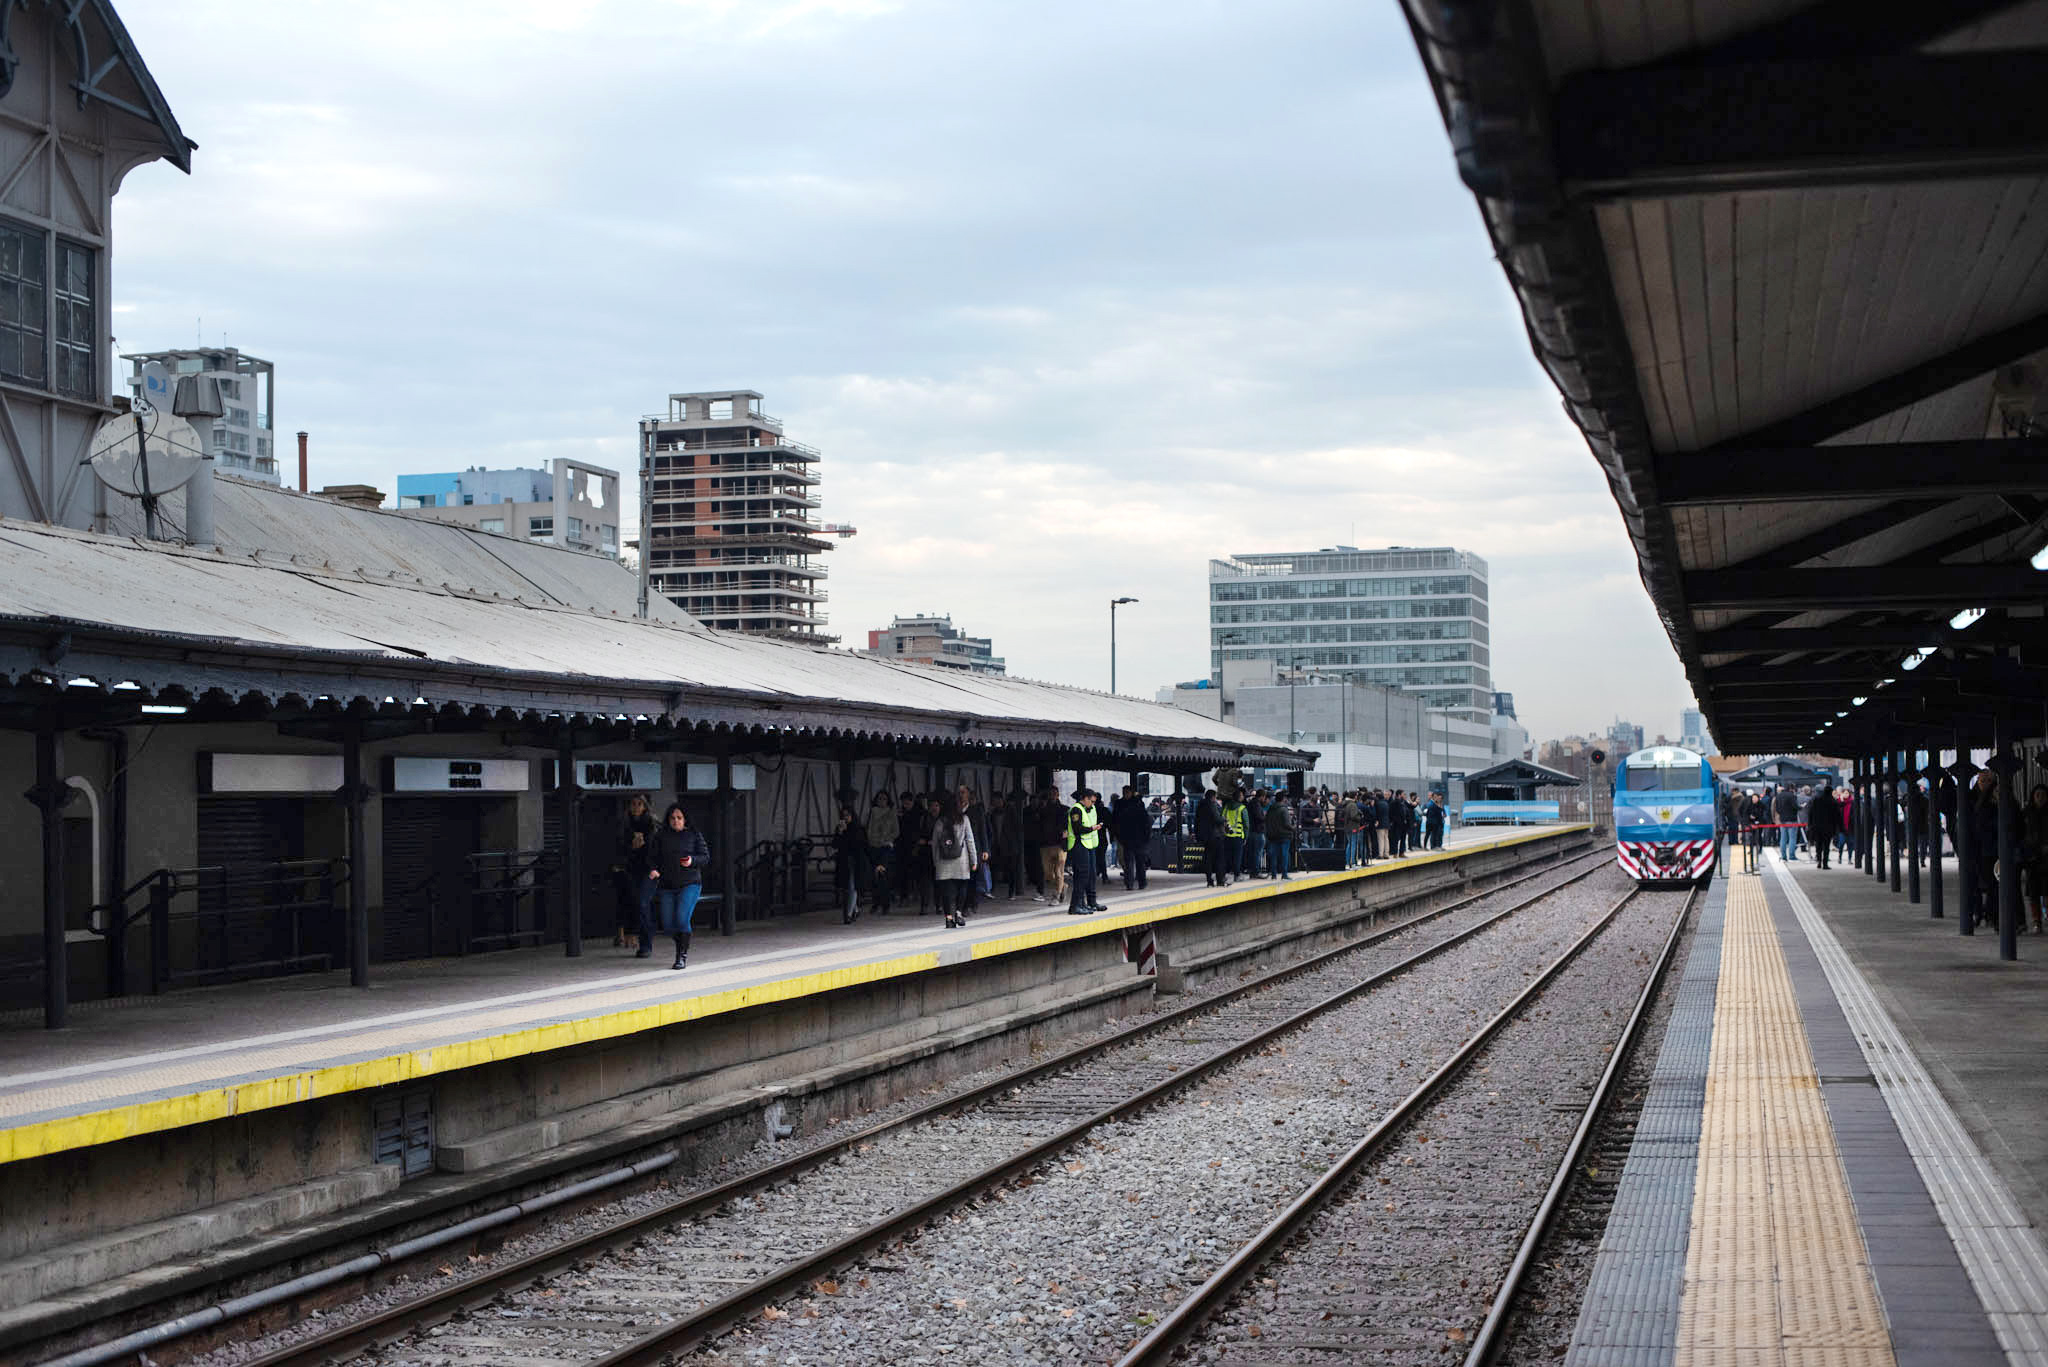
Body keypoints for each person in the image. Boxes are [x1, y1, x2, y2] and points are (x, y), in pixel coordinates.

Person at [647, 803, 709, 969]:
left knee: (682, 919)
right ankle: (683, 941)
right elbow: (652, 857)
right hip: (667, 884)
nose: (676, 821)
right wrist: (653, 869)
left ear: (685, 820)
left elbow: (705, 857)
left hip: (690, 884)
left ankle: (681, 955)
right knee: (667, 925)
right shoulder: (661, 836)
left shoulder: (694, 834)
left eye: (679, 818)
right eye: (672, 818)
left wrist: (692, 861)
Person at [930, 789, 980, 928]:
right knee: (962, 886)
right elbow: (970, 840)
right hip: (961, 861)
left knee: (947, 891)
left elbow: (935, 843)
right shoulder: (963, 819)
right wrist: (974, 860)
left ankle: (949, 918)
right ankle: (958, 913)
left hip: (943, 861)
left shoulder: (940, 821)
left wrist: (935, 861)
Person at [619, 794, 657, 958]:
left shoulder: (652, 825)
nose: (636, 807)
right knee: (635, 904)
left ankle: (646, 944)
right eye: (633, 804)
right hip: (632, 870)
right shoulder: (624, 826)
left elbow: (657, 848)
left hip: (650, 871)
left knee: (642, 903)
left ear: (645, 807)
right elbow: (620, 847)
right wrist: (631, 846)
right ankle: (637, 940)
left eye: (639, 804)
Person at [1066, 788, 1104, 914]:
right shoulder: (1076, 809)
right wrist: (1092, 828)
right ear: (1085, 798)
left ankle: (1084, 904)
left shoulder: (1090, 809)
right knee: (1081, 876)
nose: (1093, 804)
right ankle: (1075, 906)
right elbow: (1077, 829)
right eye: (1091, 801)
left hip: (1087, 844)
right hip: (1078, 844)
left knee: (1088, 875)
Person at [831, 804, 867, 924]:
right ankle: (854, 910)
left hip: (855, 860)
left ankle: (848, 914)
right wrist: (840, 832)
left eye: (848, 815)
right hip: (843, 860)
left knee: (852, 885)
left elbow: (858, 844)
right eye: (843, 815)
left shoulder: (857, 828)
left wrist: (846, 833)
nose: (845, 817)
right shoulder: (840, 828)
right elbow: (835, 844)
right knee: (845, 887)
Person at [865, 792, 899, 915]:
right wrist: (871, 841)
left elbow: (896, 831)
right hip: (873, 847)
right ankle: (875, 902)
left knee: (883, 875)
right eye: (879, 798)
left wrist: (887, 839)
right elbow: (868, 829)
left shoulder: (891, 813)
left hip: (886, 847)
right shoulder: (871, 813)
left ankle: (885, 904)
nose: (882, 801)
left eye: (884, 799)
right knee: (874, 876)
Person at [1113, 785, 1152, 891]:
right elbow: (1146, 822)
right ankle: (1140, 883)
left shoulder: (1120, 805)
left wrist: (1119, 836)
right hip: (1135, 838)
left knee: (1130, 862)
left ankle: (1131, 883)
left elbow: (1116, 822)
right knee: (1138, 862)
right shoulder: (1139, 805)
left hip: (1130, 838)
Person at [1034, 788, 1069, 905]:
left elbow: (1069, 826)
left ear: (1058, 794)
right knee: (1048, 874)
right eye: (1050, 794)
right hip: (1045, 844)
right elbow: (1037, 824)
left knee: (1059, 872)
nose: (1052, 795)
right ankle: (1063, 886)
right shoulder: (1042, 810)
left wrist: (1066, 833)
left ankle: (1056, 896)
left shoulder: (1065, 810)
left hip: (1059, 844)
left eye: (1054, 793)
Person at [2023, 783, 2048, 934]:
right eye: (2037, 795)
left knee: (2046, 890)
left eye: (2043, 795)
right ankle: (2036, 920)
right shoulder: (2027, 813)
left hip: (2046, 857)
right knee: (2033, 892)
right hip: (2032, 857)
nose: (2040, 798)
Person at [1196, 787, 1226, 887]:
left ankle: (1209, 880)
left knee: (1208, 859)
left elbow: (1197, 821)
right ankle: (1220, 880)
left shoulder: (1200, 806)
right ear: (1213, 797)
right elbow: (1217, 819)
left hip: (1205, 836)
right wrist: (1224, 819)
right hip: (1215, 836)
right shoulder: (1212, 805)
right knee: (1219, 858)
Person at [1265, 791, 1297, 879]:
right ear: (1283, 799)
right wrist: (1293, 828)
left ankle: (1274, 875)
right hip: (1284, 836)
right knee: (1284, 855)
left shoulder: (1270, 809)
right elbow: (1287, 824)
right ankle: (1284, 874)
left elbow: (1267, 821)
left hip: (1273, 836)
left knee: (1273, 855)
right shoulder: (1284, 809)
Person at [1807, 779, 1838, 869]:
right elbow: (1836, 816)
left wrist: (1810, 825)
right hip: (1828, 828)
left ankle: (1819, 861)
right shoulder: (1833, 802)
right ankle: (1825, 863)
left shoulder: (1816, 800)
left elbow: (1811, 813)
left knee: (1818, 845)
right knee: (1826, 846)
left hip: (1817, 827)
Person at [1220, 788, 1247, 886]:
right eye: (1242, 795)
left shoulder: (1226, 807)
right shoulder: (1242, 808)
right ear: (1239, 797)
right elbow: (1246, 824)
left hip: (1227, 836)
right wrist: (1246, 837)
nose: (1243, 797)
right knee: (1237, 857)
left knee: (1227, 856)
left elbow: (1222, 819)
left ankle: (1227, 874)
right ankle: (1236, 875)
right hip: (1238, 836)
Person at [1244, 789, 1269, 880]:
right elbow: (1259, 817)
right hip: (1257, 832)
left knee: (1253, 853)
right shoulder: (1256, 804)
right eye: (1264, 797)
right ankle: (1256, 872)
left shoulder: (1251, 803)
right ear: (1262, 796)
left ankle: (1253, 872)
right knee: (1257, 853)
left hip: (1252, 831)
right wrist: (1265, 816)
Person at [1773, 784, 1801, 862]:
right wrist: (1801, 807)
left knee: (1783, 838)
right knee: (1792, 838)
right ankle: (1792, 856)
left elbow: (1777, 809)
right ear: (1791, 789)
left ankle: (1783, 857)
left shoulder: (1778, 796)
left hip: (1782, 820)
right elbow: (1795, 806)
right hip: (1792, 819)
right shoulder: (1791, 796)